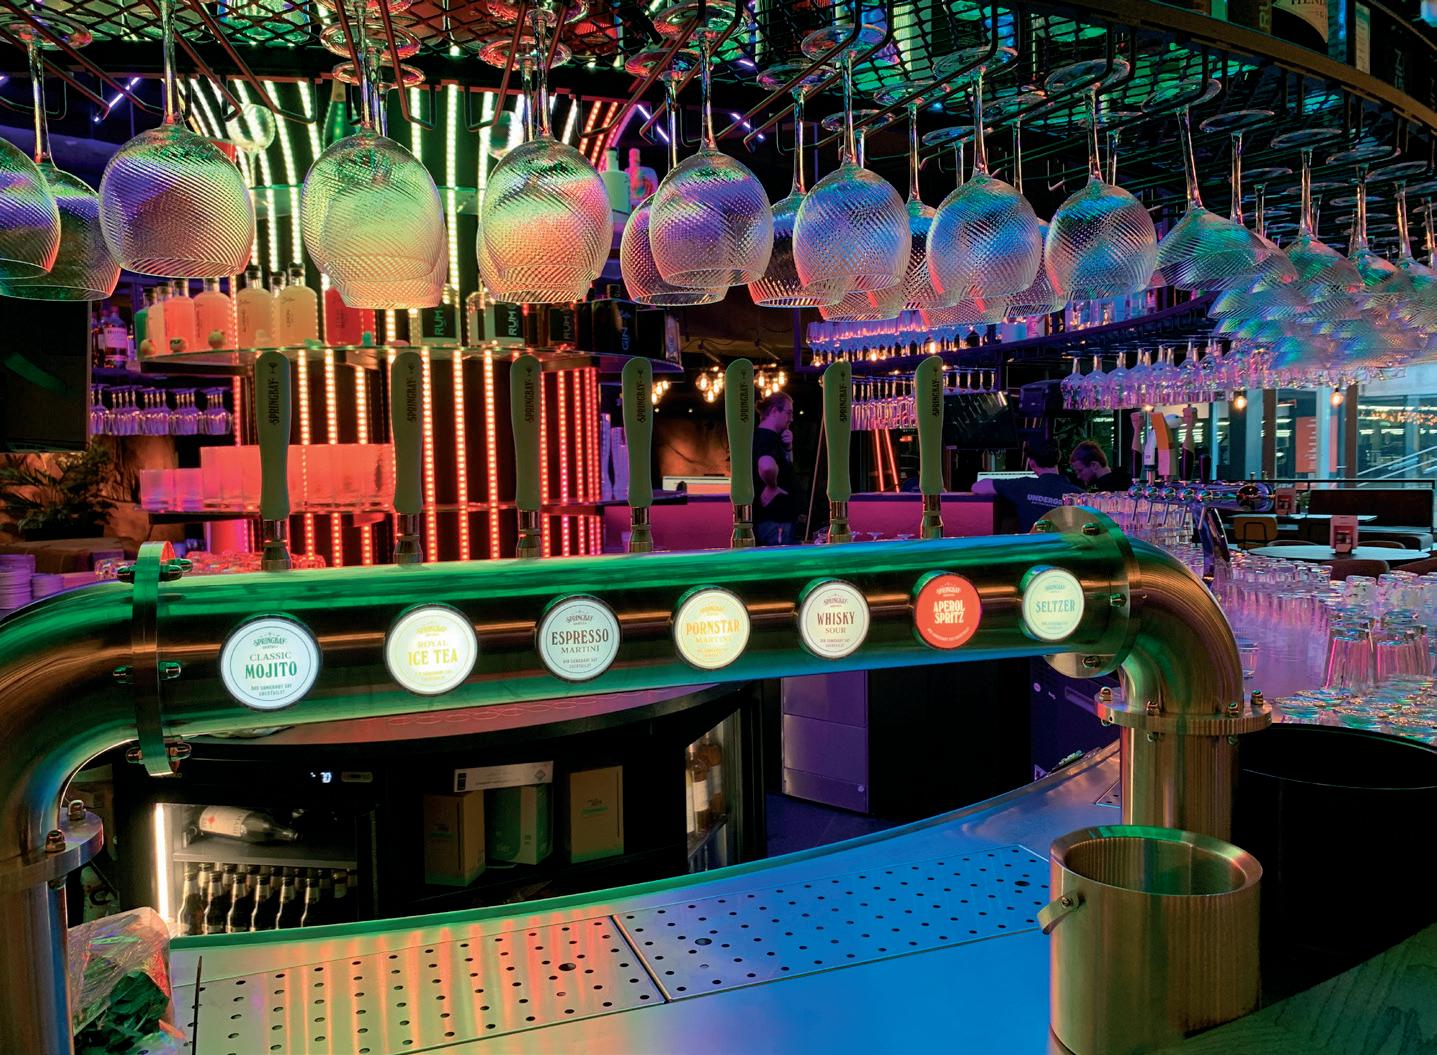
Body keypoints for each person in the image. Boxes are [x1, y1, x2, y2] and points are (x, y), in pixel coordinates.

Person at [972, 438, 1083, 532]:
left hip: (1032, 549)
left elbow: (978, 487)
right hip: (1065, 550)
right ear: (1058, 458)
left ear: (1032, 463)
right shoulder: (1079, 494)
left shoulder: (1023, 486)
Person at [753, 391, 799, 545]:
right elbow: (766, 466)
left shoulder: (765, 438)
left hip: (773, 521)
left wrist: (788, 448)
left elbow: (786, 469)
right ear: (774, 411)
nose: (791, 419)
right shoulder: (767, 438)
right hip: (776, 521)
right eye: (788, 413)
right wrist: (772, 486)